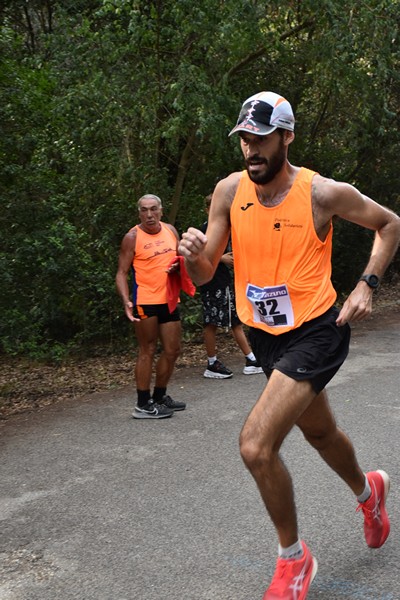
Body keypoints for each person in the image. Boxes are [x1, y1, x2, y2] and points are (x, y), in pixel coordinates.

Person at [178, 91, 400, 599]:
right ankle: (370, 493)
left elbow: (389, 224)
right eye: (245, 141)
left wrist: (367, 282)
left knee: (257, 446)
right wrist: (192, 257)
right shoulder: (228, 192)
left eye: (261, 139)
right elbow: (207, 269)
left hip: (317, 331)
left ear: (287, 136)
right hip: (264, 334)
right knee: (321, 434)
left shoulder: (322, 193)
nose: (251, 150)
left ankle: (294, 559)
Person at [116, 193, 187, 419]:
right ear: (139, 213)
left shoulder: (170, 230)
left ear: (161, 211)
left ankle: (159, 396)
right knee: (147, 350)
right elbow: (121, 273)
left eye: (153, 209)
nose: (149, 214)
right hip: (145, 301)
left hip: (169, 299)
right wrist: (126, 300)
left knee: (173, 350)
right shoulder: (132, 237)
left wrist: (178, 269)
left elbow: (178, 260)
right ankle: (142, 404)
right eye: (144, 210)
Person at [200, 193, 263, 378]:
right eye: (213, 207)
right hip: (212, 283)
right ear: (207, 210)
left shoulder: (229, 228)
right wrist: (221, 259)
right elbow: (197, 256)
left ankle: (249, 359)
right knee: (215, 322)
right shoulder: (205, 230)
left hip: (226, 281)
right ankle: (216, 363)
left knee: (233, 319)